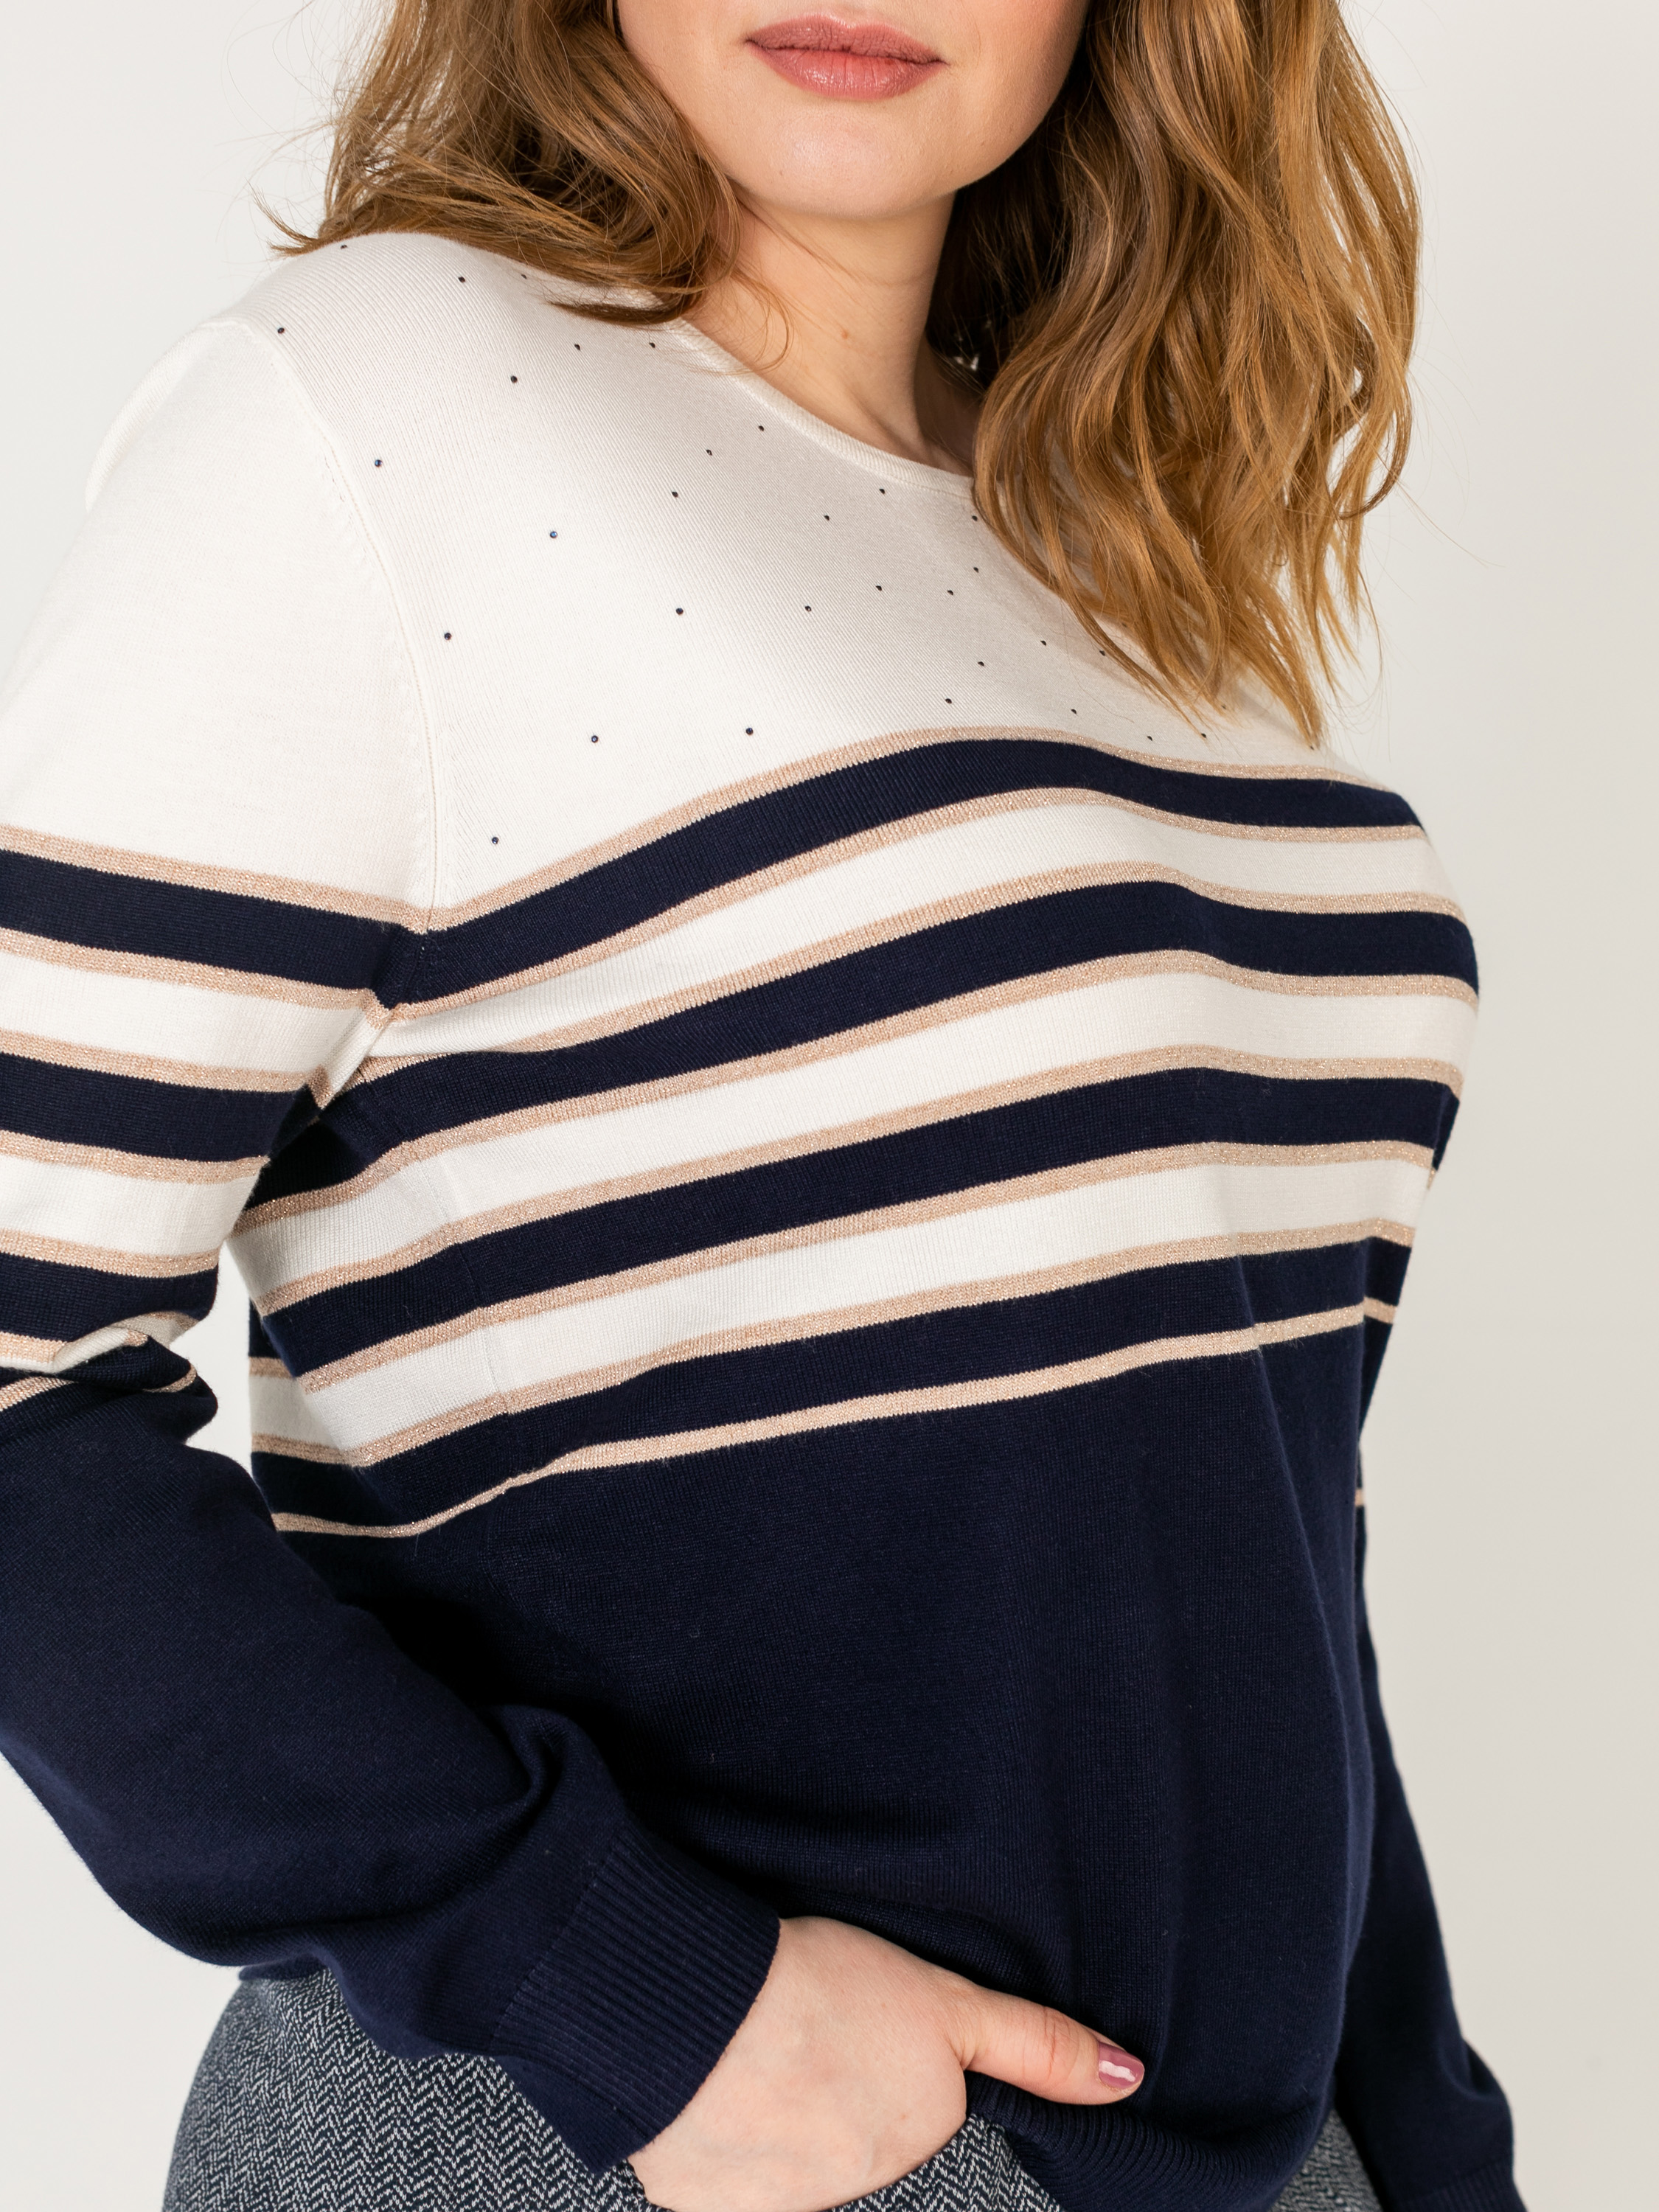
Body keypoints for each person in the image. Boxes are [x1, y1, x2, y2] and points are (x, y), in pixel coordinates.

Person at [0, 4, 1525, 2209]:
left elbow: (1256, 1521)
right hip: (628, 2125)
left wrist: (1421, 2141)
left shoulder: (1121, 561)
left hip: (1216, 2145)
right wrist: (626, 1995)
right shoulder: (379, 407)